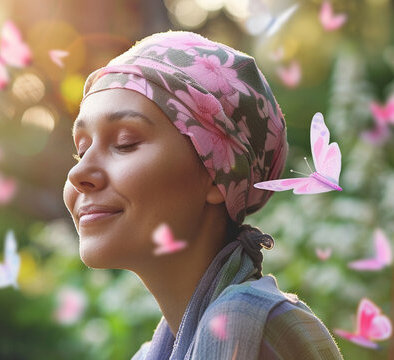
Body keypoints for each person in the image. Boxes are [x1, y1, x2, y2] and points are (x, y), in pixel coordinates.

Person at [62, 31, 343, 359]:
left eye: (125, 143)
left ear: (217, 172)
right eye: (81, 151)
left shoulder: (252, 331)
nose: (78, 174)